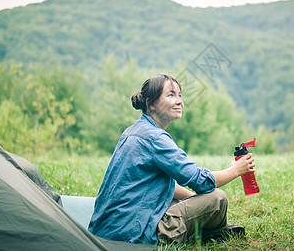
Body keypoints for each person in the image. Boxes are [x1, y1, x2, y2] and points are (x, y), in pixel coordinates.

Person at [88, 73, 255, 246]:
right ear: (150, 104)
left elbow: (164, 185)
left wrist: (195, 202)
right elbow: (200, 181)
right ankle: (208, 233)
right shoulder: (155, 138)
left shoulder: (133, 131)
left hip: (106, 230)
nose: (179, 101)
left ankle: (207, 229)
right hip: (137, 236)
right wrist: (235, 170)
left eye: (180, 95)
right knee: (217, 199)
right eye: (171, 95)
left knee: (193, 201)